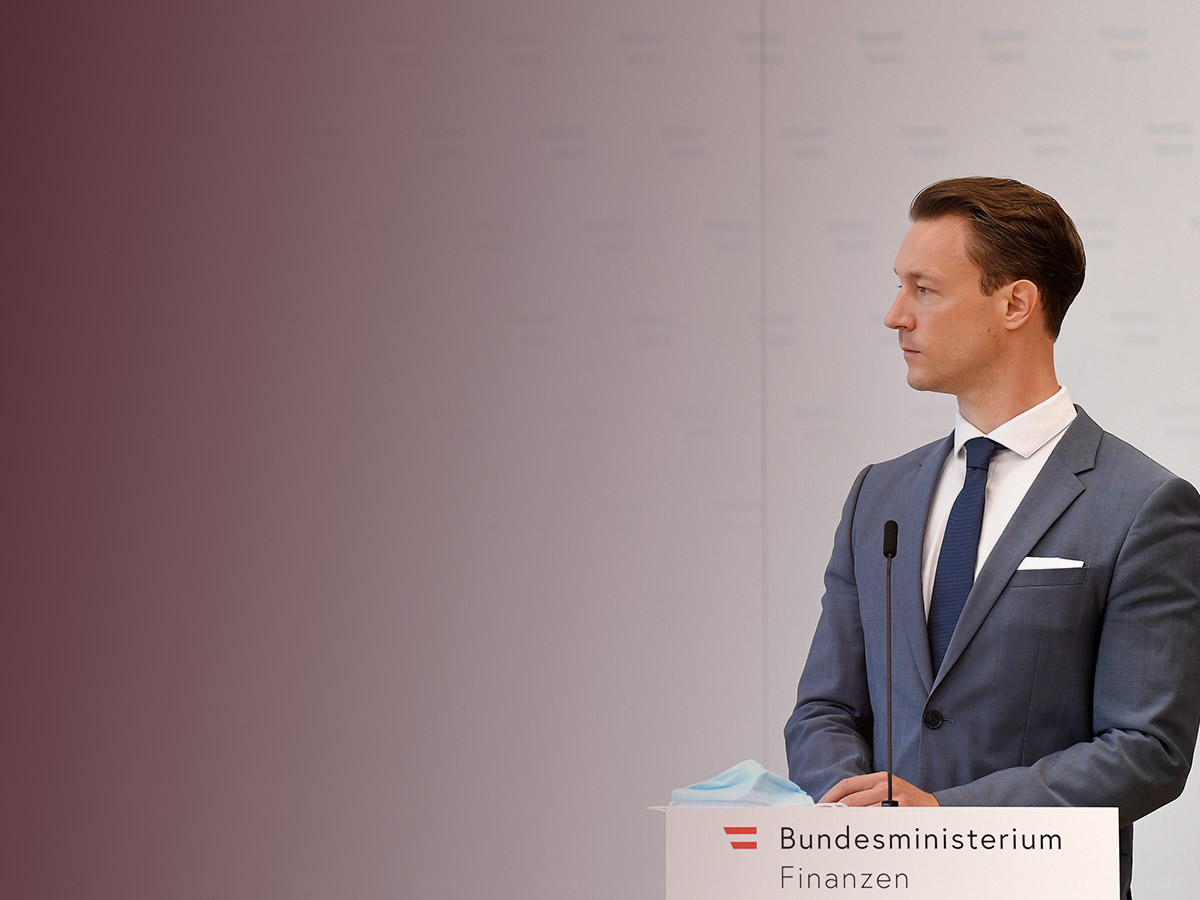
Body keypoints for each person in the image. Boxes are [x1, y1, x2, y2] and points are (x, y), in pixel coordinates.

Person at [784, 176, 1200, 899]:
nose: (894, 315)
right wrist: (862, 817)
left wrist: (947, 819)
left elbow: (1147, 751)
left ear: (1015, 303)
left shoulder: (1144, 505)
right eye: (899, 286)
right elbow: (824, 709)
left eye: (924, 289)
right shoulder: (876, 495)